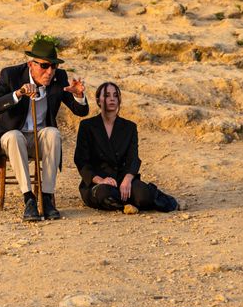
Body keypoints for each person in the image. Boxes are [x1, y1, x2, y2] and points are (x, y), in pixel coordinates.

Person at [0, 37, 89, 222]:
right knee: (15, 136)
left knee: (53, 133)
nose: (49, 72)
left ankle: (47, 198)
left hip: (38, 138)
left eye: (53, 67)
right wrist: (18, 93)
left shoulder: (59, 78)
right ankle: (29, 199)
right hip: (10, 139)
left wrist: (79, 95)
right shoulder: (11, 75)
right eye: (44, 66)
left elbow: (81, 111)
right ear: (31, 64)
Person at [74, 82, 178, 212]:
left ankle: (132, 200)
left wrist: (128, 180)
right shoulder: (87, 126)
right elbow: (81, 160)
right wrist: (100, 180)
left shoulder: (129, 127)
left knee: (143, 195)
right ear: (98, 100)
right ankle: (126, 203)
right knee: (105, 194)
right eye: (106, 95)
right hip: (98, 182)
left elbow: (133, 158)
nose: (112, 98)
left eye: (115, 95)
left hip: (122, 178)